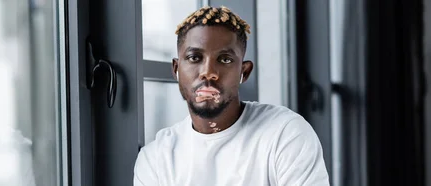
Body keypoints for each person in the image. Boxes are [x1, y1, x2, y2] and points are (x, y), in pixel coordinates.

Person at [133, 6, 329, 186]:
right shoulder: (156, 158)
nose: (208, 72)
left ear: (244, 71)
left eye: (224, 59)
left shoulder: (285, 134)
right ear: (176, 69)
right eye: (195, 58)